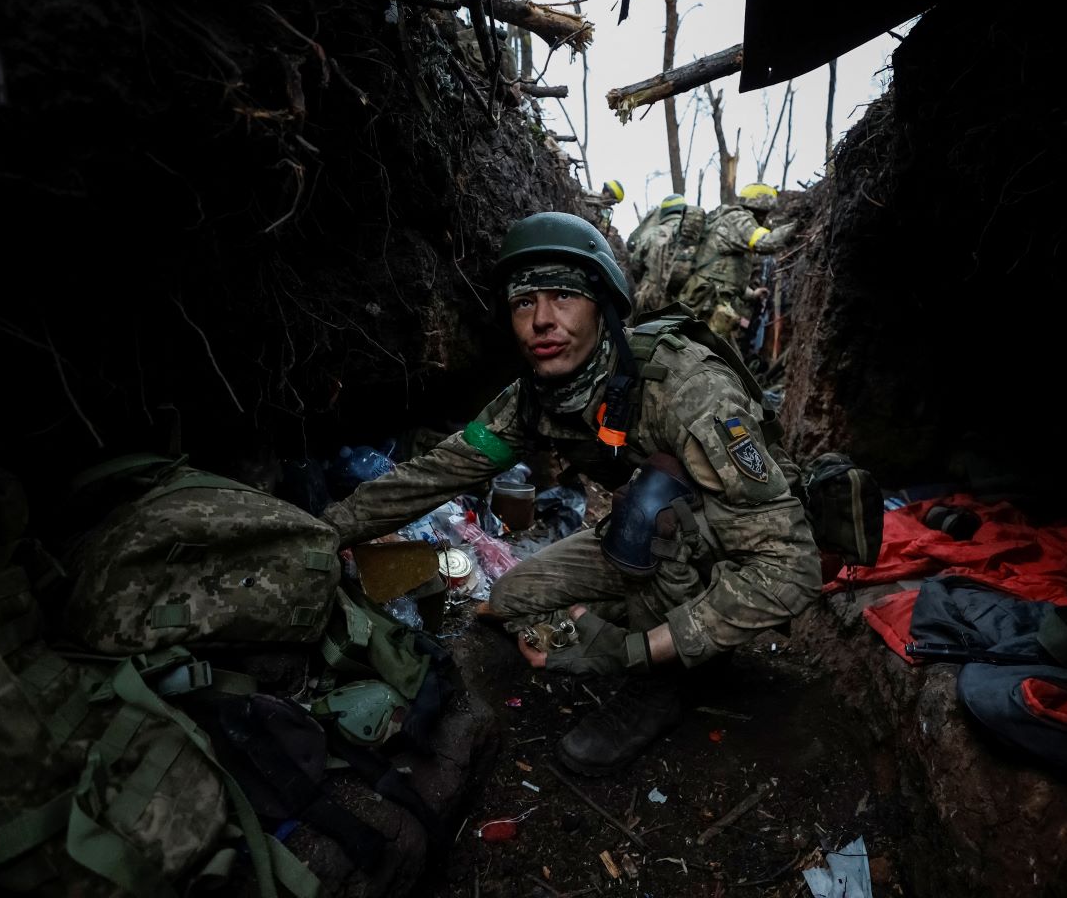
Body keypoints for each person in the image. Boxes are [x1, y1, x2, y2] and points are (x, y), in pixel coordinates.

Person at [322, 212, 821, 775]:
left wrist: (629, 651)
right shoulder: (532, 399)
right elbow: (439, 471)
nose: (541, 320)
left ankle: (662, 684)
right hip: (644, 531)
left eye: (562, 296)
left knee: (653, 509)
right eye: (523, 304)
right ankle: (639, 609)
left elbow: (791, 565)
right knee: (511, 601)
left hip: (727, 536)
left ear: (602, 306)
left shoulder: (687, 389)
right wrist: (327, 529)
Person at [679, 183, 780, 335]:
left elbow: (726, 276)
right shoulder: (738, 219)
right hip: (708, 302)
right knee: (702, 352)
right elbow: (766, 242)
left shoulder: (731, 221)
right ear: (761, 210)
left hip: (711, 302)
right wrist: (796, 227)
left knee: (719, 354)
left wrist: (752, 294)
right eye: (766, 213)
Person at [630, 194, 687, 317]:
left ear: (664, 212)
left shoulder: (651, 233)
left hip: (650, 303)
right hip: (682, 305)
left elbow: (635, 265)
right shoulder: (690, 236)